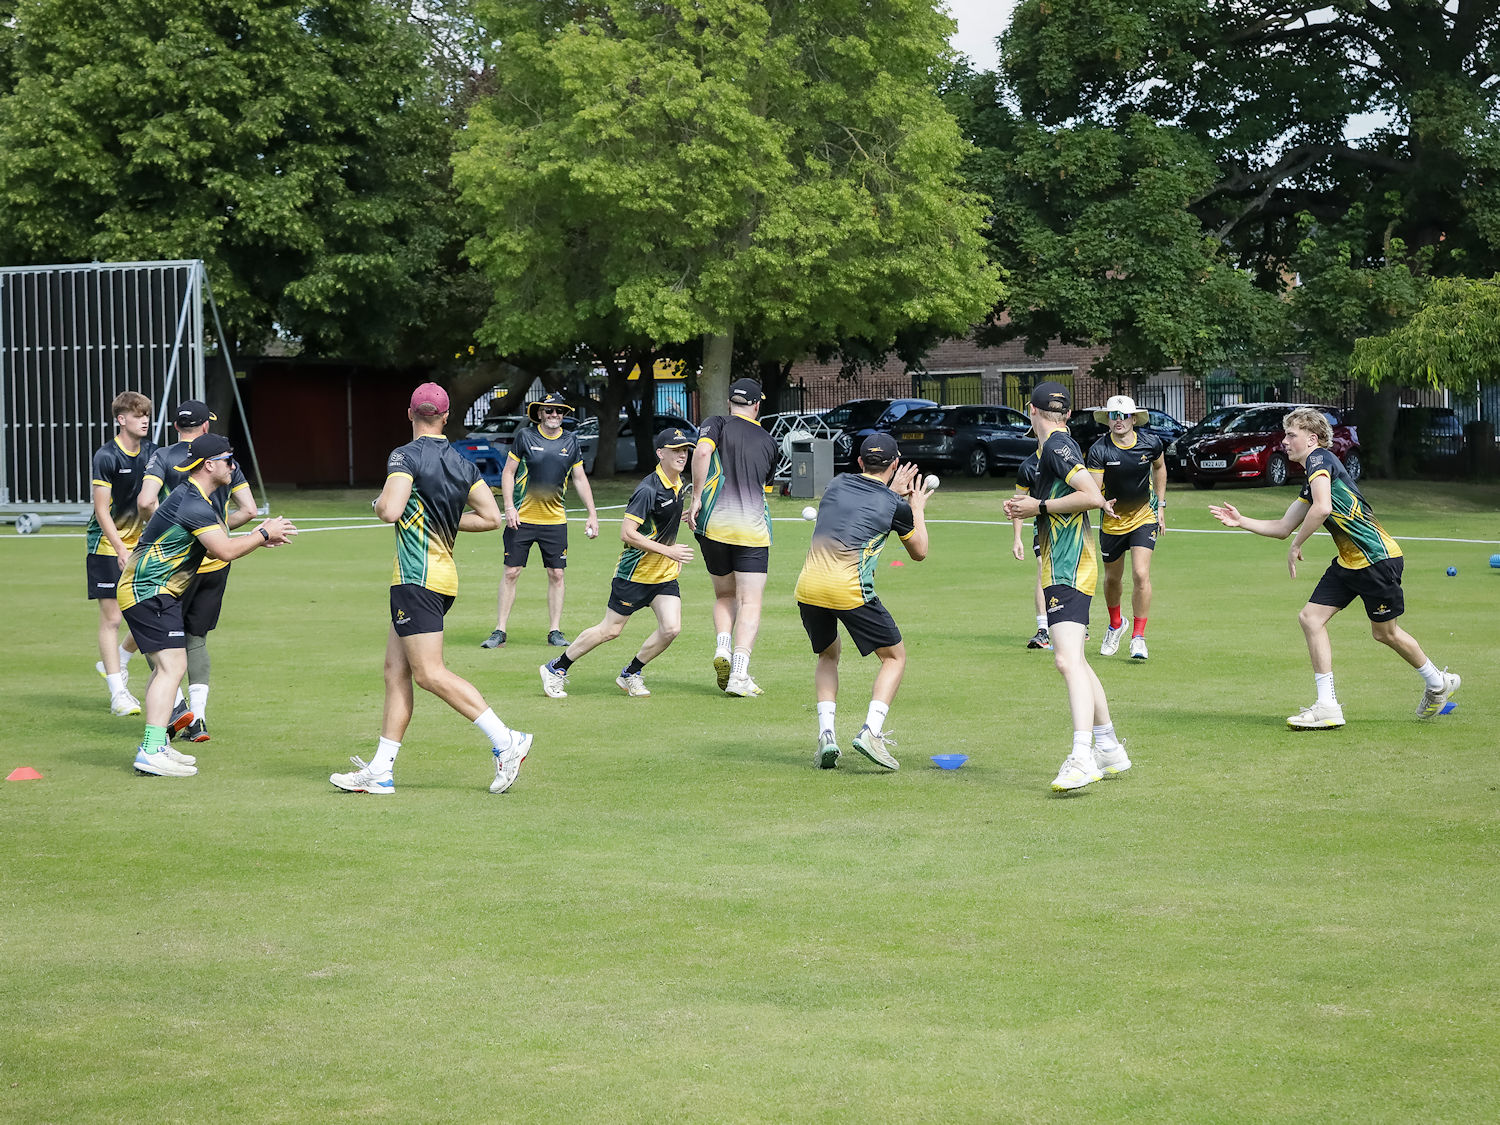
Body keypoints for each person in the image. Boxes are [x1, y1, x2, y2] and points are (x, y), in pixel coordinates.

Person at [332, 383, 533, 795]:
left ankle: (506, 739)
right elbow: (492, 518)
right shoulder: (463, 464)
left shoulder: (403, 455)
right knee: (395, 671)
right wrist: (443, 519)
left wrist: (376, 504)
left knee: (428, 673)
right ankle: (381, 771)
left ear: (410, 414)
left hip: (416, 578)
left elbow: (389, 510)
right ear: (445, 417)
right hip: (438, 579)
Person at [1208, 406, 1460, 728]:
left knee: (1385, 633)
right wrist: (1242, 521)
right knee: (1311, 618)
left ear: (1312, 439)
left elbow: (1323, 508)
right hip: (1350, 563)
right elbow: (1284, 526)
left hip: (1375, 560)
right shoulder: (1312, 476)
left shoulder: (1318, 460)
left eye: (1291, 435)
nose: (1284, 441)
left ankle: (1437, 682)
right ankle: (1327, 706)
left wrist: (1297, 546)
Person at [116, 434, 297, 777]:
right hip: (148, 589)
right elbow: (223, 551)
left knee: (168, 667)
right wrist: (261, 536)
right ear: (210, 465)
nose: (234, 466)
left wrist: (258, 538)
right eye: (229, 459)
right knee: (171, 667)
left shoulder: (199, 497)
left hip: (156, 590)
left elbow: (221, 542)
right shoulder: (193, 503)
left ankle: (156, 745)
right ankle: (151, 749)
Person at [1002, 382, 1131, 792]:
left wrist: (1037, 507)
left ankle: (1081, 756)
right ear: (1068, 413)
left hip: (1070, 564)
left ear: (1031, 411)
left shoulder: (1058, 447)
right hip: (1064, 563)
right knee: (1075, 660)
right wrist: (1031, 508)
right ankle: (1108, 747)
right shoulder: (1052, 448)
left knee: (1066, 661)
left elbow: (1092, 496)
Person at [795, 434, 931, 771]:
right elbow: (920, 552)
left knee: (828, 655)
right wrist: (915, 507)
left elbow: (865, 499)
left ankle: (827, 734)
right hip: (848, 589)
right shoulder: (895, 505)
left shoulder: (837, 484)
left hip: (808, 586)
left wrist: (890, 492)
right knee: (894, 657)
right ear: (895, 464)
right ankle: (872, 732)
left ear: (859, 463)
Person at [539, 428, 697, 699]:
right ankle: (556, 668)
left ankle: (631, 673)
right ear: (661, 454)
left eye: (685, 450)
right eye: (676, 450)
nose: (682, 455)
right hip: (634, 574)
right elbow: (627, 533)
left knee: (671, 628)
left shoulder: (679, 483)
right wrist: (668, 551)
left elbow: (659, 520)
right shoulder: (649, 489)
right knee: (610, 630)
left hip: (663, 576)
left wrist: (681, 516)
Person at [136, 399, 259, 742]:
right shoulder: (220, 461)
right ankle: (197, 719)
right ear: (206, 426)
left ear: (176, 427)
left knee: (161, 650)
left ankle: (172, 717)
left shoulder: (163, 456)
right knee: (193, 641)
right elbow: (248, 510)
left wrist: (165, 531)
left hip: (172, 566)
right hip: (212, 562)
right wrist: (215, 528)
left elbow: (146, 502)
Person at [482, 392, 598, 650]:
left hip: (555, 521)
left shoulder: (571, 440)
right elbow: (508, 473)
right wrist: (509, 507)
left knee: (557, 573)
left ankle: (554, 630)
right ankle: (499, 630)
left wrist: (592, 513)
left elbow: (579, 479)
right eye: (548, 411)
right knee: (511, 572)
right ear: (540, 413)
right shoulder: (525, 437)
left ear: (564, 415)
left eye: (558, 411)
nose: (553, 415)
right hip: (521, 519)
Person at [688, 377, 778, 696]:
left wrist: (696, 497)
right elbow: (764, 483)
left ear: (730, 402)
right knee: (750, 601)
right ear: (756, 405)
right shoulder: (769, 441)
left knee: (724, 595)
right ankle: (739, 671)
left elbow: (701, 453)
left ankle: (723, 648)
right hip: (751, 529)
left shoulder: (716, 423)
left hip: (713, 526)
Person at [86, 391, 157, 717]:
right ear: (121, 419)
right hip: (106, 544)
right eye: (137, 414)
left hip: (142, 544)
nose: (144, 419)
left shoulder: (153, 454)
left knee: (151, 614)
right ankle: (118, 694)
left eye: (146, 414)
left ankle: (118, 660)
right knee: (113, 617)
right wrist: (119, 549)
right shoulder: (107, 456)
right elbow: (101, 510)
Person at [1086, 395, 1167, 660]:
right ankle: (1116, 624)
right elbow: (1095, 489)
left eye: (1123, 416)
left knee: (1141, 574)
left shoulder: (1151, 442)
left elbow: (1160, 467)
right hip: (1113, 521)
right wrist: (1101, 503)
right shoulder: (1099, 450)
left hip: (1144, 517)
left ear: (1134, 419)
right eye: (1113, 415)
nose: (1118, 420)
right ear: (1108, 419)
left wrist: (1161, 505)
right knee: (1112, 579)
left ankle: (1139, 637)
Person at [1011, 450, 1051, 650]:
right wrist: (1017, 538)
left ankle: (1076, 622)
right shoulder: (1028, 466)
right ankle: (1043, 630)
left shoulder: (1070, 456)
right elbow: (1017, 503)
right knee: (1043, 569)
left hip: (1071, 527)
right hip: (1043, 527)